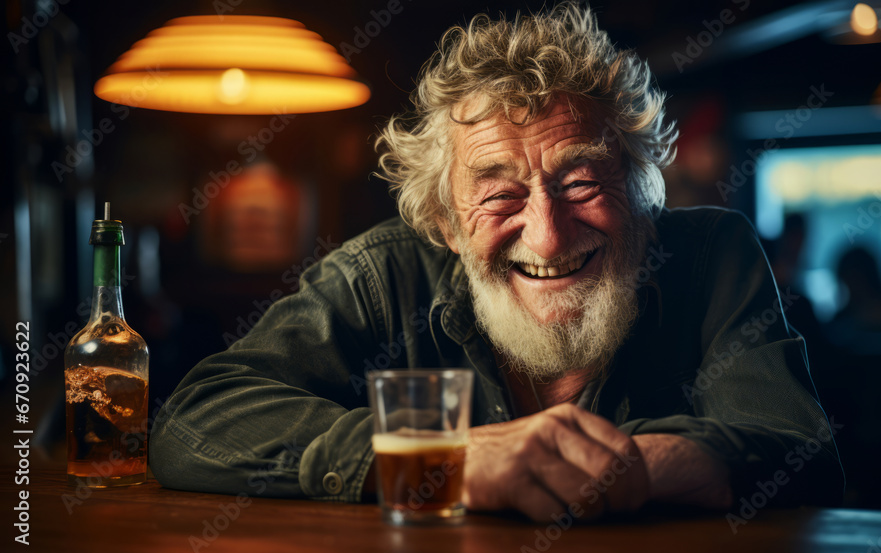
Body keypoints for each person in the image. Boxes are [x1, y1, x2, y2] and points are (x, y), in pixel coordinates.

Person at [150, 2, 843, 522]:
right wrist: (442, 459)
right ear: (445, 224)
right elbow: (194, 422)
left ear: (640, 194)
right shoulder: (379, 277)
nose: (546, 237)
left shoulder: (714, 255)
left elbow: (802, 456)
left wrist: (633, 464)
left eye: (582, 184)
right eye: (498, 196)